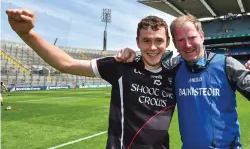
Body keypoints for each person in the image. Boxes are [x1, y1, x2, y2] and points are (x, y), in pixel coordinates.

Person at [6, 9, 177, 149]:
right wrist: (26, 33)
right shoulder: (121, 66)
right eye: (146, 40)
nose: (153, 47)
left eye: (159, 41)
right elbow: (66, 64)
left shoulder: (176, 75)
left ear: (168, 42)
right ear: (137, 42)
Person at [116, 14, 250, 149]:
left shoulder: (227, 65)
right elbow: (150, 64)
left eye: (192, 37)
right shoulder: (173, 67)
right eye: (180, 40)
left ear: (202, 36)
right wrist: (132, 55)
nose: (187, 45)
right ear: (174, 43)